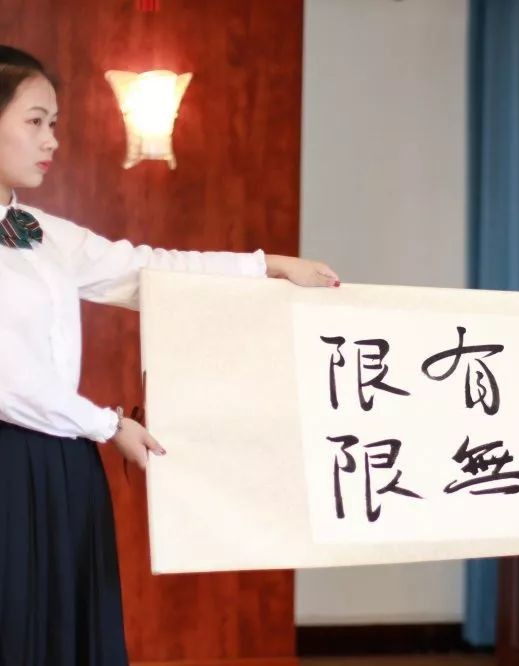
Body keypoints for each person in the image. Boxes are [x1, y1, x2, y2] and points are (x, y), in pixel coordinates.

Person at [0, 45, 339, 665]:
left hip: (63, 459)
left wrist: (267, 267)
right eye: (35, 121)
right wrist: (107, 425)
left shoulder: (39, 231)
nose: (52, 140)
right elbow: (8, 382)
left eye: (55, 123)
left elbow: (147, 271)